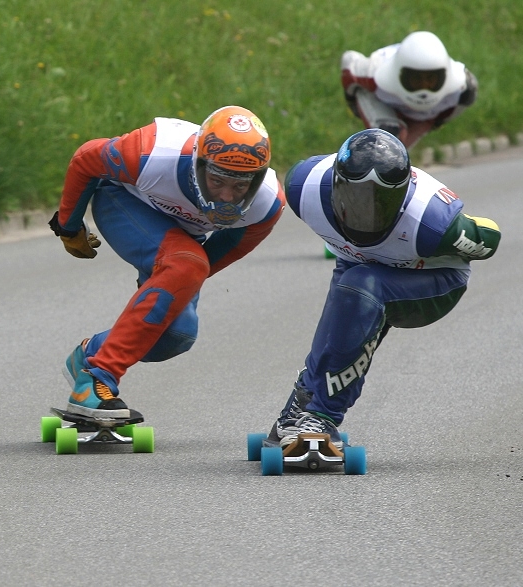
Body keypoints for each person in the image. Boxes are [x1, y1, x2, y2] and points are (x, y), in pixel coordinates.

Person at [48, 106, 285, 417]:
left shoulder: (266, 206)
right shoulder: (151, 154)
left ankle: (90, 354)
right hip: (124, 200)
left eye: (241, 185)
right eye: (217, 180)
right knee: (187, 264)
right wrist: (69, 226)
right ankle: (96, 377)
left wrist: (171, 280)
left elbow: (213, 258)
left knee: (175, 335)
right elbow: (86, 158)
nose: (227, 197)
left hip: (181, 239)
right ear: (197, 164)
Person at [267, 129, 500, 447]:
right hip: (357, 265)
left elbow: (489, 240)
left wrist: (460, 231)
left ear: (402, 195)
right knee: (337, 332)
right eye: (355, 198)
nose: (367, 213)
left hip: (432, 280)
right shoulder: (302, 186)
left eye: (382, 202)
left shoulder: (430, 224)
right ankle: (297, 414)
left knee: (362, 287)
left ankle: (321, 418)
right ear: (335, 182)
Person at [341, 31, 477, 149]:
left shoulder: (465, 88)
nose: (424, 87)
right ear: (400, 74)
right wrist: (354, 105)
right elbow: (349, 60)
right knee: (389, 139)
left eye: (430, 79)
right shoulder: (374, 72)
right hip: (381, 103)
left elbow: (449, 113)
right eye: (417, 80)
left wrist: (431, 123)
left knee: (399, 156)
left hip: (424, 118)